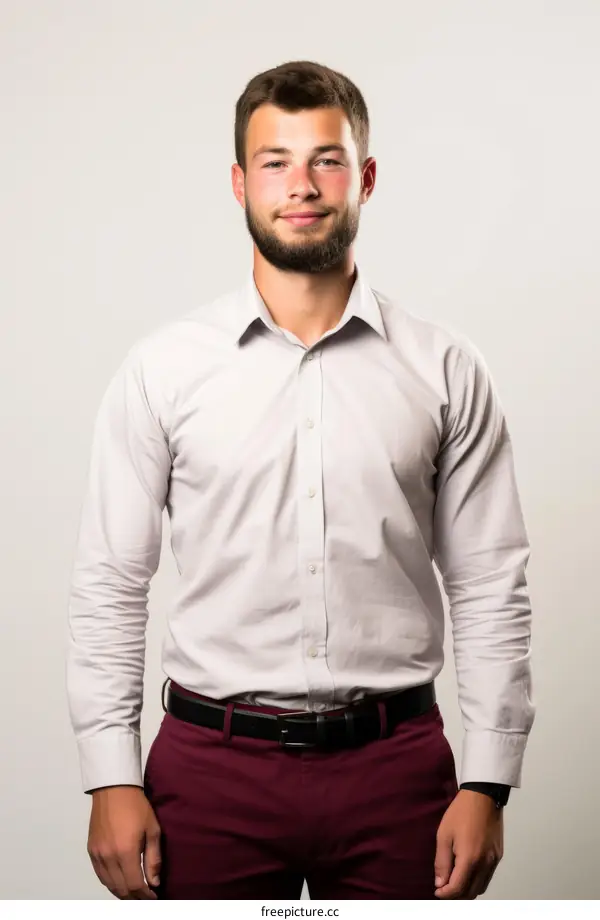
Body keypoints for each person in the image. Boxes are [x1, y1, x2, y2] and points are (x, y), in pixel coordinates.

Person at [66, 60, 536, 900]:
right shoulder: (163, 370)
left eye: (326, 158)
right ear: (240, 182)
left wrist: (489, 778)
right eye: (276, 161)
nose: (302, 185)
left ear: (365, 177)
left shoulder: (444, 368)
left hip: (397, 774)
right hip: (209, 777)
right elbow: (112, 581)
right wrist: (109, 773)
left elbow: (491, 581)